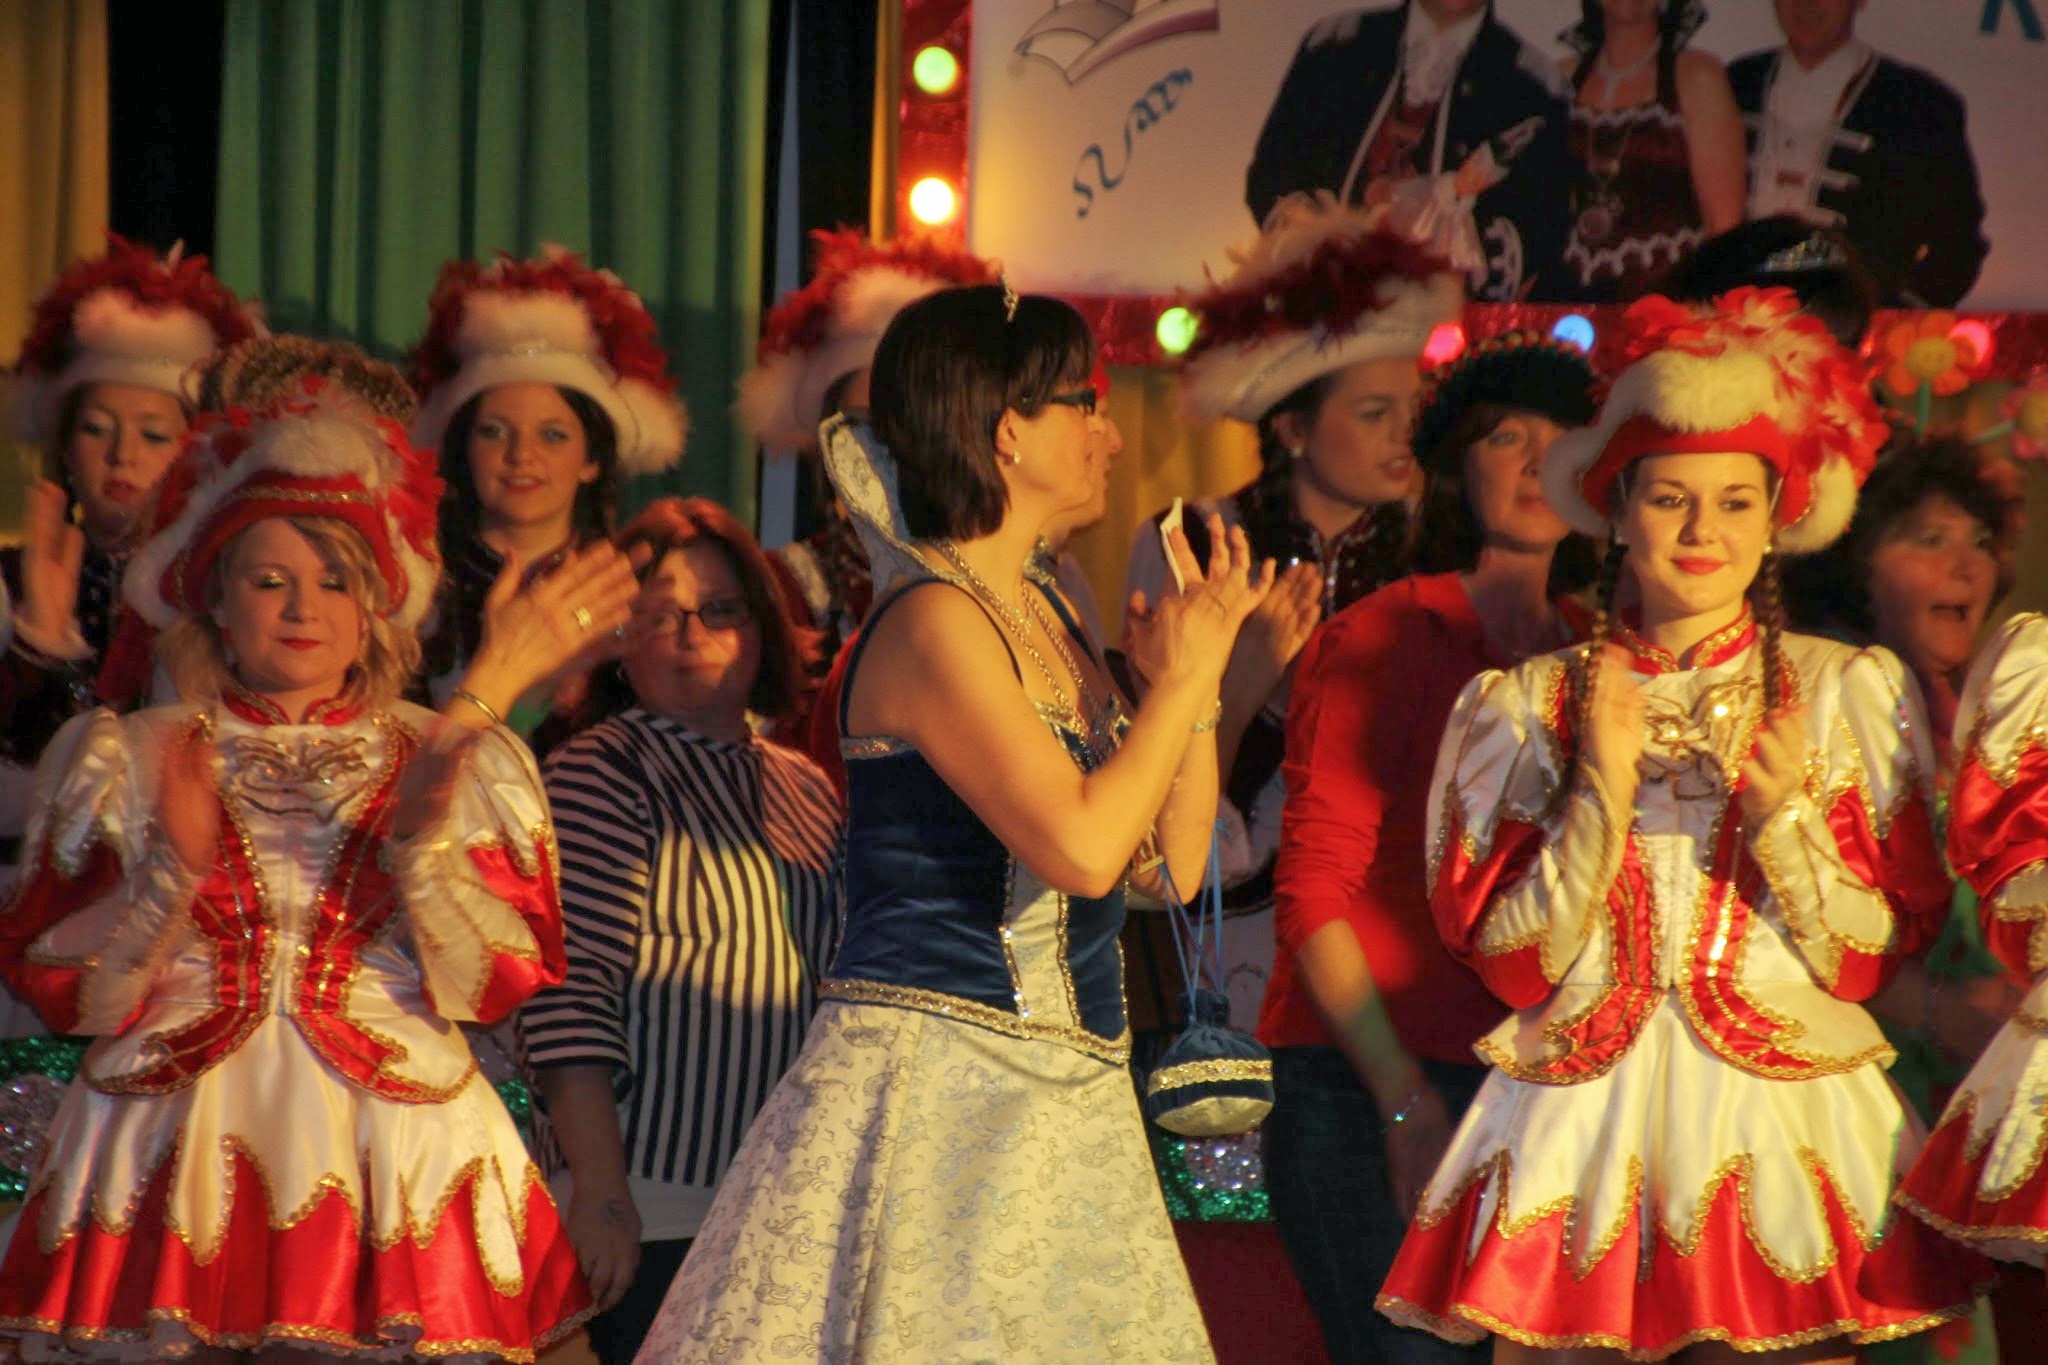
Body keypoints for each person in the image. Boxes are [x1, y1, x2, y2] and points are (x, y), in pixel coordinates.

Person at [633, 282, 1271, 1362]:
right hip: (946, 1095)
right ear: (1008, 429)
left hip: (1070, 1099)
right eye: (1087, 404)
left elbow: (1166, 867)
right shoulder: (933, 620)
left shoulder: (1048, 613)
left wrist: (1195, 690)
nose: (1113, 436)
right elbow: (1081, 850)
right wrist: (1177, 684)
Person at [1376, 287, 1984, 1359]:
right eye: (1669, 499)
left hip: (1779, 1109)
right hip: (1581, 1113)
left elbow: (1866, 957)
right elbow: (1509, 964)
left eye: (1735, 502)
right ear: (1616, 511)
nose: (1704, 531)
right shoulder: (1525, 705)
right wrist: (1598, 793)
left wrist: (1782, 819)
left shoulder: (1843, 689)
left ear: (1776, 517)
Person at [0, 372, 638, 1358]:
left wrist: (423, 831)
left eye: (335, 580)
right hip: (170, 1141)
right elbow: (70, 998)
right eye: (269, 581)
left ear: (378, 603)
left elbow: (491, 984)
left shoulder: (450, 750)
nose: (303, 607)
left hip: (398, 1143)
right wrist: (170, 878)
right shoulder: (129, 752)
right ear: (216, 600)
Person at [1261, 331, 1597, 1362]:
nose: (1536, 462)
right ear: (1456, 464)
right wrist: (1400, 1101)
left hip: (1529, 1090)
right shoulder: (1384, 633)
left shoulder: (1598, 653)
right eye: (1506, 436)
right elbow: (1312, 890)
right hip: (1362, 1083)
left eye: (1562, 439)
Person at [1126, 193, 1462, 1030]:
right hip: (1225, 936)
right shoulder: (1191, 542)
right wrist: (1242, 682)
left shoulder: (1439, 557)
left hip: (1389, 937)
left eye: (1412, 411)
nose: (1403, 436)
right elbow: (1150, 794)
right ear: (1294, 431)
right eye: (1374, 413)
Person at [521, 496, 840, 1365]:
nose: (691, 632)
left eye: (720, 608)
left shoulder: (806, 786)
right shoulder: (598, 769)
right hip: (650, 1203)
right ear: (619, 641)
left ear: (763, 627)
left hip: (780, 1199)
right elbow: (567, 999)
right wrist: (602, 1194)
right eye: (659, 614)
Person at [2, 239, 260, 841]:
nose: (122, 455)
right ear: (66, 449)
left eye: (153, 436)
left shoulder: (225, 591)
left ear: (194, 453)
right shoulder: (11, 582)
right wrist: (37, 648)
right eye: (97, 430)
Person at [408, 246, 687, 750]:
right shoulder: (413, 589)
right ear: (464, 449)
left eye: (553, 436)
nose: (522, 455)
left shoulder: (636, 590)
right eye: (494, 432)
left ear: (592, 459)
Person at [742, 228, 999, 678]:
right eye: (863, 426)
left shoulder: (1011, 570)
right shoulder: (785, 585)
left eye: (905, 421)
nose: (886, 447)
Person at [1245, 0, 1573, 301]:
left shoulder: (1532, 86)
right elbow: (1272, 176)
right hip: (1321, 310)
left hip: (1448, 326)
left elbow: (1538, 227)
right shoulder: (1334, 48)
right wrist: (1323, 254)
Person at [1728, 0, 1987, 307]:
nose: (1805, 4)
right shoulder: (1733, 84)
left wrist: (1895, 316)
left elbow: (1958, 243)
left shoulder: (1919, 105)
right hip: (1733, 315)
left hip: (1857, 323)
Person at [1558, 0, 1744, 302]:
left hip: (1665, 305)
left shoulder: (1697, 77)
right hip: (1565, 302)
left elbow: (1724, 231)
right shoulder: (1560, 79)